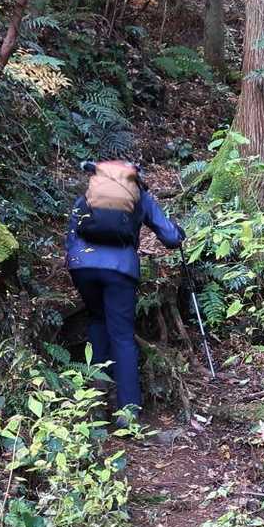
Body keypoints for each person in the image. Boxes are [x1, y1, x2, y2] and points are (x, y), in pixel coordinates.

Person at [65, 159, 183, 421]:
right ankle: (127, 412)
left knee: (97, 320)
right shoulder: (138, 196)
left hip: (83, 267)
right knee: (121, 335)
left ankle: (95, 403)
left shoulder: (91, 195)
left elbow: (72, 233)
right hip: (120, 269)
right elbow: (170, 238)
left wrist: (76, 261)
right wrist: (179, 233)